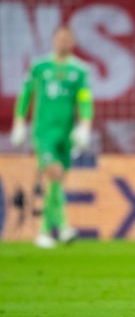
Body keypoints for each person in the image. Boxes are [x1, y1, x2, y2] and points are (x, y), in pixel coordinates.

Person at [10, 26, 94, 249]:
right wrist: (19, 122)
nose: (63, 42)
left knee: (55, 181)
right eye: (60, 38)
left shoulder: (79, 70)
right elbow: (26, 94)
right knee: (53, 173)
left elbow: (84, 99)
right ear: (53, 40)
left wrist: (85, 125)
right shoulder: (39, 67)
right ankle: (64, 226)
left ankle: (45, 231)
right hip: (44, 132)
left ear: (73, 41)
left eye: (67, 39)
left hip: (65, 135)